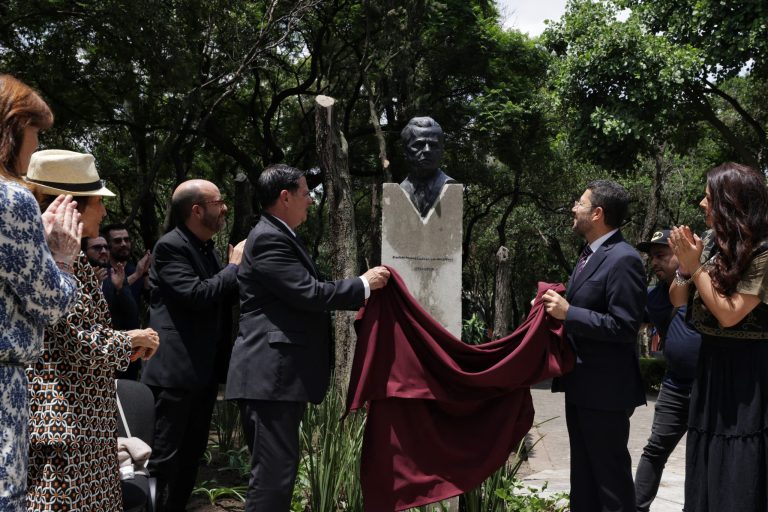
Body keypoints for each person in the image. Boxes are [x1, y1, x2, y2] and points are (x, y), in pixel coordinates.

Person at [225, 164, 391, 511]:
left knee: (279, 476)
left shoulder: (279, 235)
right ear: (284, 197)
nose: (310, 201)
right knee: (271, 481)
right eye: (305, 193)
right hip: (271, 378)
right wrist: (363, 284)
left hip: (277, 379)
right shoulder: (270, 237)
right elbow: (308, 293)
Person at [25, 149, 160, 512]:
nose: (103, 210)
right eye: (98, 201)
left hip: (86, 428)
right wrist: (132, 338)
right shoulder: (50, 259)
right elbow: (77, 341)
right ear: (73, 206)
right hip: (66, 430)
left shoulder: (70, 257)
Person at [0, 74, 81, 512]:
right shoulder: (11, 201)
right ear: (12, 128)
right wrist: (62, 257)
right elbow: (50, 304)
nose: (33, 150)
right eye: (33, 135)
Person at [141, 179, 246, 512]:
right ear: (197, 210)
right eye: (219, 202)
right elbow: (197, 295)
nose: (225, 208)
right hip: (173, 376)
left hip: (202, 375)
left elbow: (222, 293)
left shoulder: (205, 248)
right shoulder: (171, 247)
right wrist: (234, 267)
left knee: (191, 460)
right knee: (162, 459)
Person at [541, 180, 646, 511]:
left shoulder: (623, 259)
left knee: (610, 485)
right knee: (584, 482)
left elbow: (625, 326)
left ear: (598, 213)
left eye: (580, 203)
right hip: (583, 387)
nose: (573, 208)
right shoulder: (589, 254)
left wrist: (570, 312)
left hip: (606, 392)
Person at [669, 162, 768, 512]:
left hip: (749, 373)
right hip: (710, 365)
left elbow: (729, 314)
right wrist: (684, 268)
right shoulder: (713, 242)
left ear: (731, 203)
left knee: (740, 461)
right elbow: (679, 299)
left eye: (709, 197)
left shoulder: (764, 252)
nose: (701, 204)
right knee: (707, 454)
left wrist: (695, 268)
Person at [634, 230, 702, 512]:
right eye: (651, 257)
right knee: (655, 449)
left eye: (661, 255)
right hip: (675, 387)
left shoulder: (708, 284)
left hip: (711, 387)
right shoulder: (654, 297)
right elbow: (622, 317)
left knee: (701, 457)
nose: (654, 262)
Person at [101, 224, 150, 379]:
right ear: (108, 246)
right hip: (107, 344)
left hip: (132, 347)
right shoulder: (101, 270)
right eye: (117, 241)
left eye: (126, 240)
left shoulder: (134, 268)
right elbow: (108, 292)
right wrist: (137, 274)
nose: (123, 244)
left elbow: (149, 296)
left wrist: (146, 272)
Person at [398, 117, 456, 217]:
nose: (427, 150)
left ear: (441, 150)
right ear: (405, 151)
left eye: (433, 145)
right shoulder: (401, 189)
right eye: (419, 145)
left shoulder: (449, 186)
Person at [84, 235, 140, 335]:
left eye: (107, 247)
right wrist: (92, 286)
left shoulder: (115, 275)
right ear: (83, 253)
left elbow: (132, 316)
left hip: (112, 341)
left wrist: (120, 288)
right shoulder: (73, 278)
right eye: (97, 248)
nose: (103, 251)